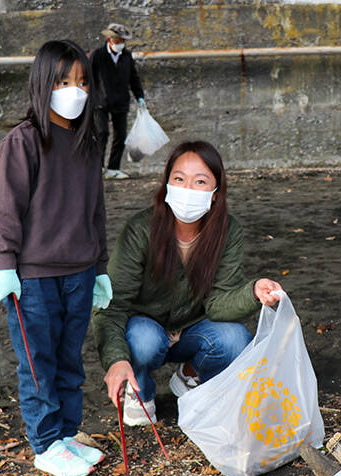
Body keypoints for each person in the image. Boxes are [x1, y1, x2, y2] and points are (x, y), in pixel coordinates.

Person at [0, 40, 112, 476]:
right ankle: (44, 442)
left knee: (70, 359)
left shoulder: (88, 144)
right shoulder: (22, 142)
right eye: (63, 81)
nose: (74, 91)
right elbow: (4, 209)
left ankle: (67, 434)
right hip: (33, 278)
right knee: (37, 361)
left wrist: (101, 267)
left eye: (81, 82)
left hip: (79, 271)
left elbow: (96, 210)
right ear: (44, 83)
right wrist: (3, 265)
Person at [92, 140, 283, 426]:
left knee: (235, 340)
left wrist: (252, 292)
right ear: (167, 184)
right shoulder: (140, 230)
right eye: (179, 179)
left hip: (193, 329)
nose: (187, 189)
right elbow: (113, 304)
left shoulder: (227, 232)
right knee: (143, 340)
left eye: (201, 181)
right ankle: (139, 387)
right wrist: (116, 359)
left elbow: (219, 306)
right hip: (145, 329)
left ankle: (191, 374)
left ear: (216, 193)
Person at [90, 22, 145, 180]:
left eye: (123, 41)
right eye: (118, 41)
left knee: (120, 135)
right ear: (110, 40)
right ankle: (98, 166)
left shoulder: (126, 56)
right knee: (102, 133)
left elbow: (133, 78)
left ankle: (113, 168)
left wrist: (139, 96)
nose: (120, 44)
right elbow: (88, 76)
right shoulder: (98, 55)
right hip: (100, 101)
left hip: (121, 101)